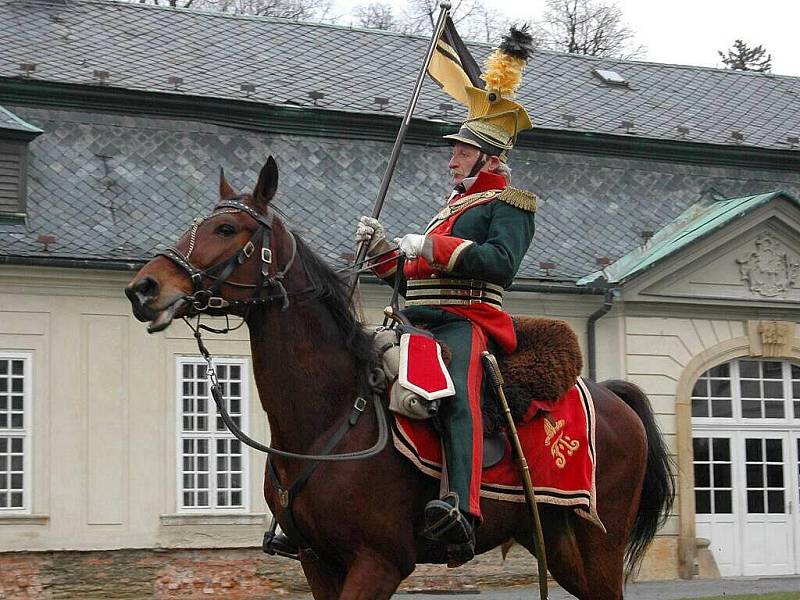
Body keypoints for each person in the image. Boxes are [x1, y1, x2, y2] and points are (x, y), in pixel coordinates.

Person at [356, 53, 537, 561]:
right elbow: (410, 280)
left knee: (455, 396)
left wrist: (432, 248)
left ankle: (461, 505)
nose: (452, 157)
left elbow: (500, 263)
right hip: (419, 317)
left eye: (462, 150)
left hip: (468, 320)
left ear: (489, 158)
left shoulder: (510, 204)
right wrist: (382, 252)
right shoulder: (451, 210)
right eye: (456, 149)